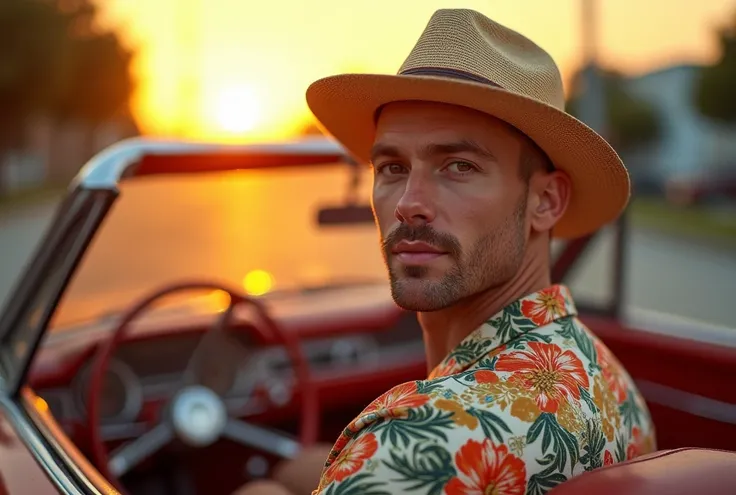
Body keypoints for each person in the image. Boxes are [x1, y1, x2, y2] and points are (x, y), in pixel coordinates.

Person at [236, 8, 656, 495]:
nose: (410, 204)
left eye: (458, 166)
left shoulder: (413, 445)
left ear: (545, 201)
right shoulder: (609, 380)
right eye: (392, 167)